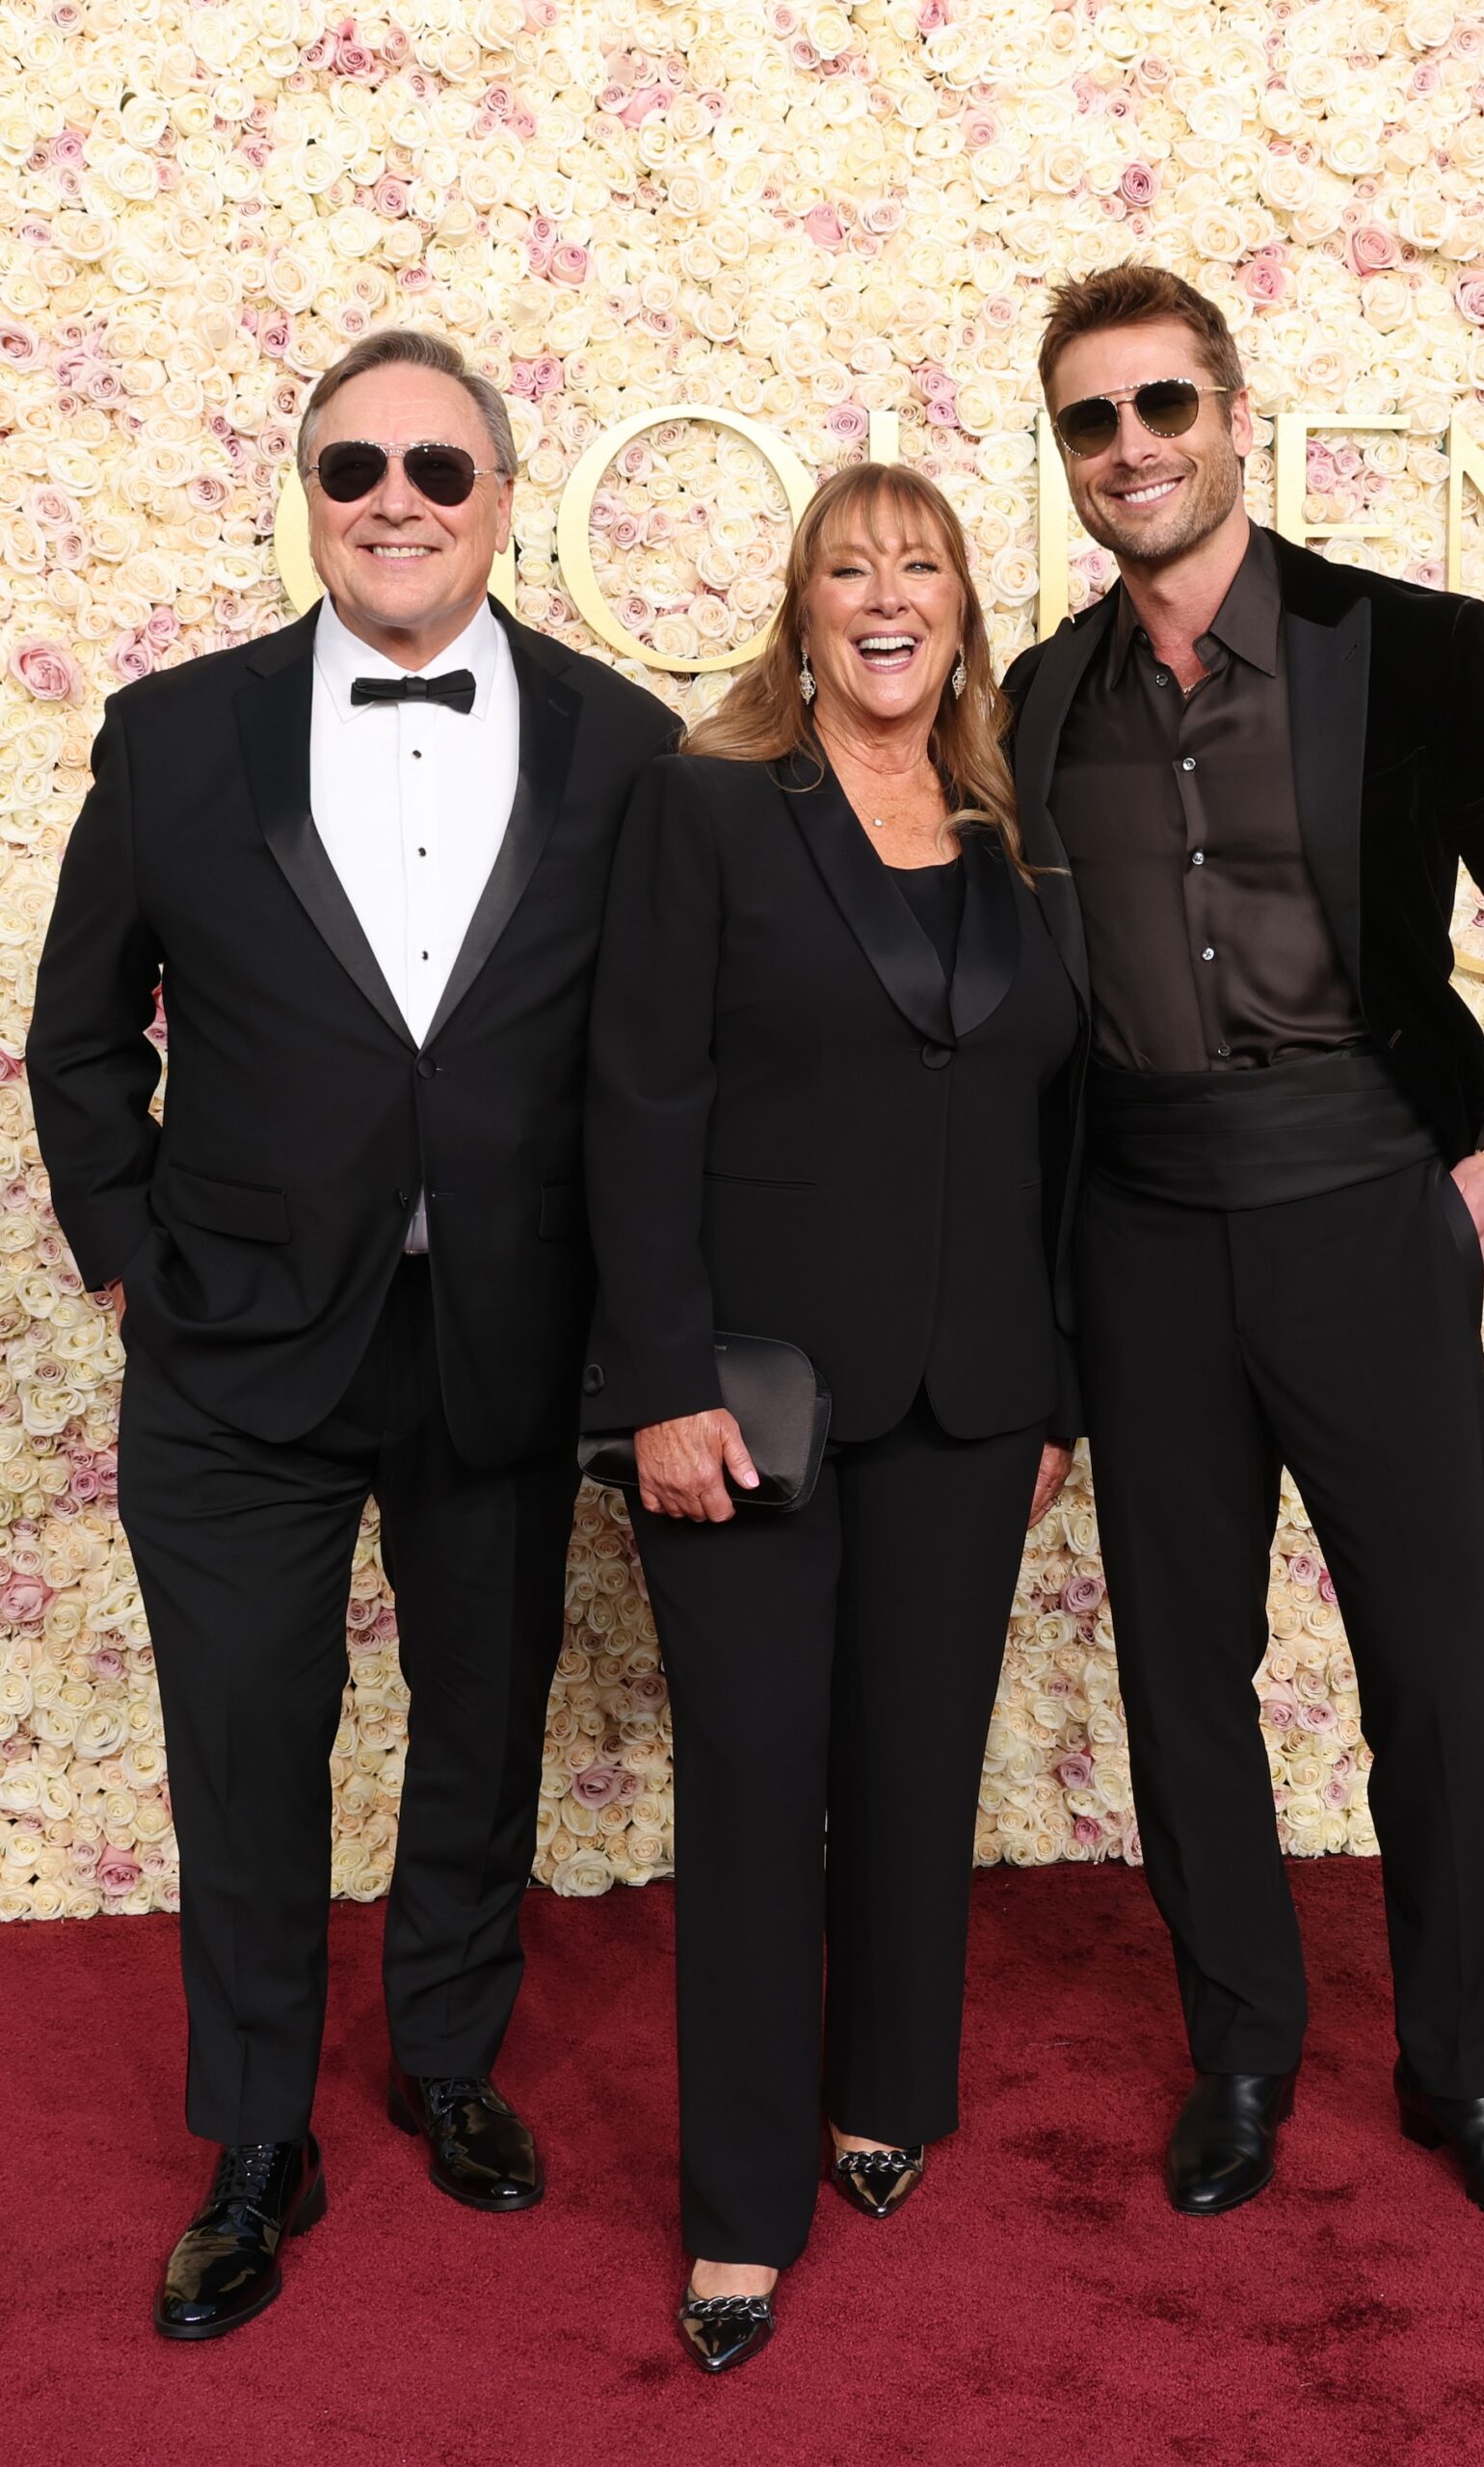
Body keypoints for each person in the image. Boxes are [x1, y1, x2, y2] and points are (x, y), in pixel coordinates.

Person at [26, 328, 678, 2339]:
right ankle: (252, 2136)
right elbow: (74, 1032)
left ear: (498, 494)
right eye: (351, 466)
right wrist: (134, 1252)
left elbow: (658, 1066)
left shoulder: (623, 742)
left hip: (499, 1331)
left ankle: (451, 2056)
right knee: (245, 1741)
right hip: (230, 1345)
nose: (394, 498)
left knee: (479, 1728)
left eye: (437, 467)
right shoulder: (170, 733)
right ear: (305, 493)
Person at [1005, 262, 1484, 2238]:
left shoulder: (1401, 642)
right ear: (1063, 452)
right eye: (1090, 420)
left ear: (1233, 412)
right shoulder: (1032, 699)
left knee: (1426, 1658)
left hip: (1367, 1202)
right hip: (1142, 1232)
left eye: (1160, 405)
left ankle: (1464, 2071)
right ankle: (1239, 2055)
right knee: (1183, 1667)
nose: (1130, 448)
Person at [583, 463, 1085, 2372]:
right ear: (799, 610)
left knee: (910, 1761)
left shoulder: (1009, 822)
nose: (886, 596)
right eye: (846, 568)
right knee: (751, 1781)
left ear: (963, 603)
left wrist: (1054, 1383)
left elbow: (1054, 1126)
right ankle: (735, 2206)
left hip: (974, 1397)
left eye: (920, 565)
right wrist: (659, 1382)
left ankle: (885, 2089)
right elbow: (633, 1101)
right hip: (750, 1400)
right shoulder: (707, 804)